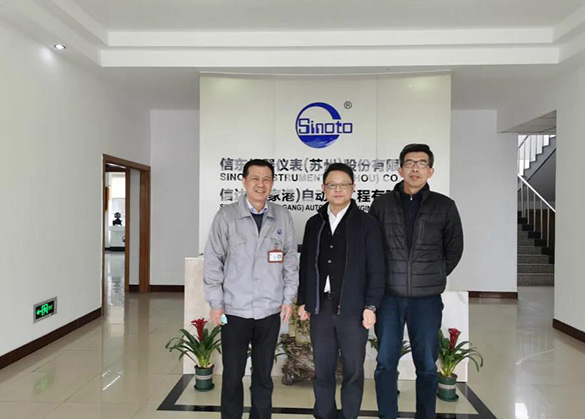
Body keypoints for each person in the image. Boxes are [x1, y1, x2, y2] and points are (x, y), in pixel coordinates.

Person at [369, 144, 464, 419]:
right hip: (389, 297)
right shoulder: (381, 204)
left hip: (427, 299)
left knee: (426, 365)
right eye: (410, 163)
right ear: (400, 169)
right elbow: (372, 249)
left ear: (430, 171)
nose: (415, 168)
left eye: (422, 163)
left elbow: (454, 248)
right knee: (385, 363)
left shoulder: (444, 206)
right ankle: (387, 415)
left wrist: (434, 274)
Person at [204, 159, 299, 419]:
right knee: (232, 375)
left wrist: (288, 298)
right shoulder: (226, 217)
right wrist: (216, 304)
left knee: (263, 375)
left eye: (266, 179)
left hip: (269, 310)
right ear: (244, 181)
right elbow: (213, 263)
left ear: (272, 183)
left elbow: (290, 260)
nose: (261, 184)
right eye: (255, 178)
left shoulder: (282, 216)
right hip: (234, 311)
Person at [298, 163, 385, 419]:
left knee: (353, 372)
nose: (338, 189)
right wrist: (304, 300)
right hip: (321, 308)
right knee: (323, 370)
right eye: (332, 185)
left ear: (353, 188)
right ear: (323, 188)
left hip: (354, 310)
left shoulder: (367, 224)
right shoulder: (315, 223)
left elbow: (377, 268)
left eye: (344, 184)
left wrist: (371, 306)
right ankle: (325, 414)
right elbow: (306, 265)